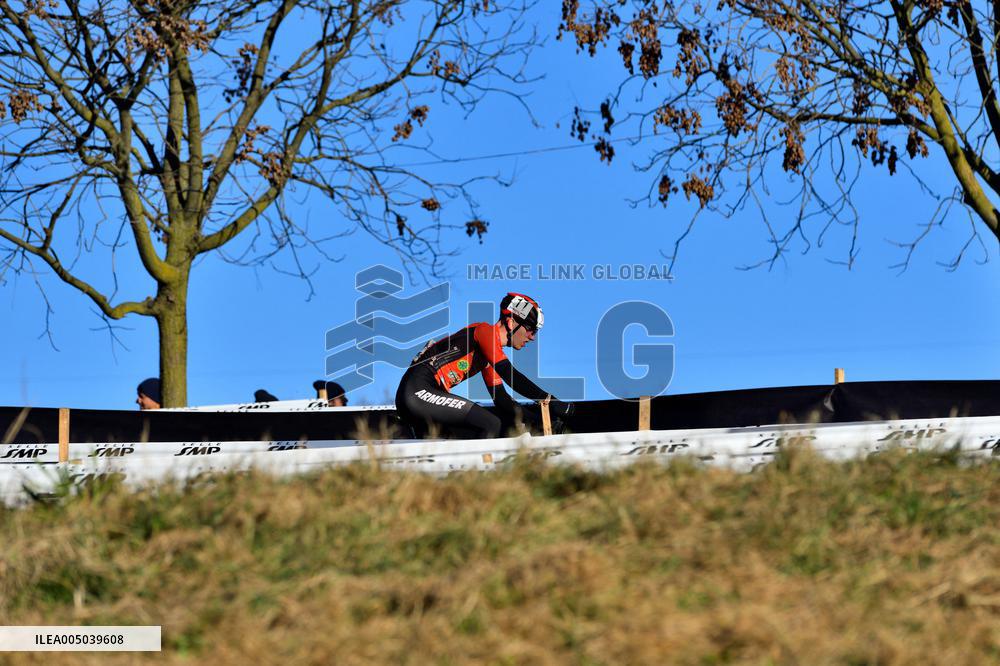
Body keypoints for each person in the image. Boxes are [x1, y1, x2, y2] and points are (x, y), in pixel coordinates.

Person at [395, 292, 572, 439]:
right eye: (531, 329)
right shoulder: (485, 331)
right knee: (490, 424)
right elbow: (509, 374)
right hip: (418, 390)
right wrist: (549, 400)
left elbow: (502, 401)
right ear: (511, 323)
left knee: (466, 434)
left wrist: (535, 419)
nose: (532, 337)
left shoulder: (488, 353)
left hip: (420, 395)